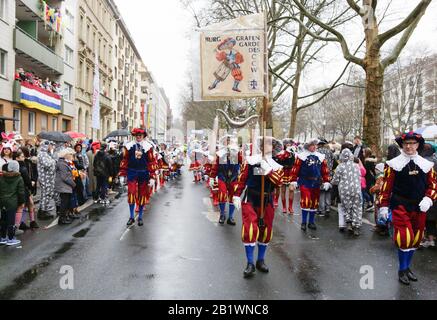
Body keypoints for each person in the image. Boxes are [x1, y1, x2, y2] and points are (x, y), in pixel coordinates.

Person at [377, 132, 437, 285]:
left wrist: (429, 198)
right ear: (402, 145)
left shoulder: (427, 165)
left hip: (419, 207)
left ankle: (407, 268)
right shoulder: (393, 164)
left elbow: (433, 186)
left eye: (412, 143)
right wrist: (383, 206)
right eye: (406, 144)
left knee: (416, 239)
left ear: (418, 145)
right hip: (400, 206)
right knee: (405, 238)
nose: (409, 146)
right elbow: (386, 187)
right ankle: (402, 269)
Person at [232, 137, 284, 278]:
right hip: (251, 198)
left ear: (273, 148)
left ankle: (260, 260)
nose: (268, 146)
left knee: (265, 231)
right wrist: (236, 194)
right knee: (250, 229)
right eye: (265, 144)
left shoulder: (277, 165)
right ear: (260, 146)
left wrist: (267, 170)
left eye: (270, 144)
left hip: (267, 200)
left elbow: (279, 182)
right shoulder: (250, 161)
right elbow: (242, 178)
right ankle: (250, 263)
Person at [290, 140, 331, 232]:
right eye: (312, 145)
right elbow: (295, 169)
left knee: (314, 202)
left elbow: (325, 170)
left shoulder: (320, 157)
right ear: (308, 146)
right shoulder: (301, 156)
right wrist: (293, 180)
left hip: (316, 183)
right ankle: (304, 222)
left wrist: (326, 181)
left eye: (315, 145)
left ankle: (311, 222)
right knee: (306, 201)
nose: (314, 147)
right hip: (305, 182)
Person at [119, 128, 157, 227]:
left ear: (143, 136)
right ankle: (131, 217)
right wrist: (123, 174)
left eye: (140, 135)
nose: (139, 137)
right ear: (134, 135)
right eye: (137, 135)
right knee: (131, 193)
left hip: (143, 172)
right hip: (132, 172)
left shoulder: (148, 147)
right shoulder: (129, 146)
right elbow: (125, 160)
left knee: (142, 195)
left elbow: (151, 162)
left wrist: (152, 176)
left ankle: (140, 217)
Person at [210, 136, 242, 225]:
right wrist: (212, 177)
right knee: (222, 194)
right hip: (222, 177)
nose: (228, 143)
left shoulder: (237, 153)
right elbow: (215, 166)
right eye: (226, 142)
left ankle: (230, 217)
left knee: (233, 197)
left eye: (229, 142)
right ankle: (222, 214)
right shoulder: (220, 154)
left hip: (233, 178)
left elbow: (243, 162)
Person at [331, 149, 363, 236]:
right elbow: (360, 176)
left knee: (346, 207)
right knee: (357, 207)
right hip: (356, 189)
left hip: (344, 190)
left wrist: (332, 182)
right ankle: (356, 227)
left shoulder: (340, 166)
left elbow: (335, 180)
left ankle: (348, 223)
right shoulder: (356, 166)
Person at [0, 161, 25, 246]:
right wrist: (22, 202)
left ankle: (3, 237)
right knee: (11, 221)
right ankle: (10, 238)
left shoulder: (2, 177)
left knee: (3, 220)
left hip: (2, 201)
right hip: (12, 202)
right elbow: (21, 192)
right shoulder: (19, 178)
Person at [420, 143, 437, 248]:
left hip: (426, 193)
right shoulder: (435, 160)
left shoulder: (422, 161)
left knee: (426, 217)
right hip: (434, 192)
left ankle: (425, 239)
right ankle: (431, 239)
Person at [54, 149, 76, 225]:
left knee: (66, 202)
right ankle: (61, 219)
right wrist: (73, 184)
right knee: (64, 202)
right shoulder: (62, 164)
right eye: (70, 154)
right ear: (66, 155)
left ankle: (65, 216)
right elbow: (65, 177)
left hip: (64, 186)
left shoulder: (64, 163)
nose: (71, 156)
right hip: (63, 186)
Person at [274, 139, 296, 214]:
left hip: (291, 172)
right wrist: (285, 153)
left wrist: (292, 154)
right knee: (283, 190)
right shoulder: (281, 152)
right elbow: (278, 161)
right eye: (287, 144)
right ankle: (284, 207)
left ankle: (290, 207)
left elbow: (295, 163)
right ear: (284, 145)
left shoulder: (294, 153)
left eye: (290, 144)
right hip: (283, 172)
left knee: (291, 189)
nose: (289, 145)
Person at [37, 141, 57, 220]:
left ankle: (44, 210)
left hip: (48, 178)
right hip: (45, 179)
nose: (52, 147)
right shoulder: (42, 154)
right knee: (46, 195)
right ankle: (42, 212)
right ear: (46, 145)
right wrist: (54, 160)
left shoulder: (45, 154)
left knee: (46, 195)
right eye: (51, 145)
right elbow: (47, 164)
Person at [317, 138, 335, 218]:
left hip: (321, 174)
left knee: (321, 192)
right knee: (328, 191)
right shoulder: (330, 152)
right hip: (330, 174)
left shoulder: (318, 152)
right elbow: (334, 162)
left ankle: (321, 210)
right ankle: (328, 208)